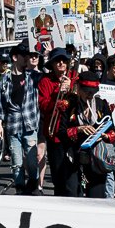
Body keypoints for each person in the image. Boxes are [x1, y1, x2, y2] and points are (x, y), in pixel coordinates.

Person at [0, 44, 44, 194]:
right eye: (24, 55)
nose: (27, 58)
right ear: (15, 57)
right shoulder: (5, 79)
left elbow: (46, 76)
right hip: (13, 125)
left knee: (32, 160)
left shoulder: (33, 76)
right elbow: (1, 104)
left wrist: (46, 55)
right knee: (16, 162)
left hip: (30, 123)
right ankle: (19, 188)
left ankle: (33, 183)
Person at [43, 68, 89, 197]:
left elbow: (81, 100)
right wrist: (57, 95)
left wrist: (70, 90)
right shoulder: (45, 81)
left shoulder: (75, 77)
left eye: (64, 61)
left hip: (73, 137)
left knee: (74, 176)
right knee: (58, 174)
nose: (61, 64)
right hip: (55, 134)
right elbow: (43, 105)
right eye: (57, 61)